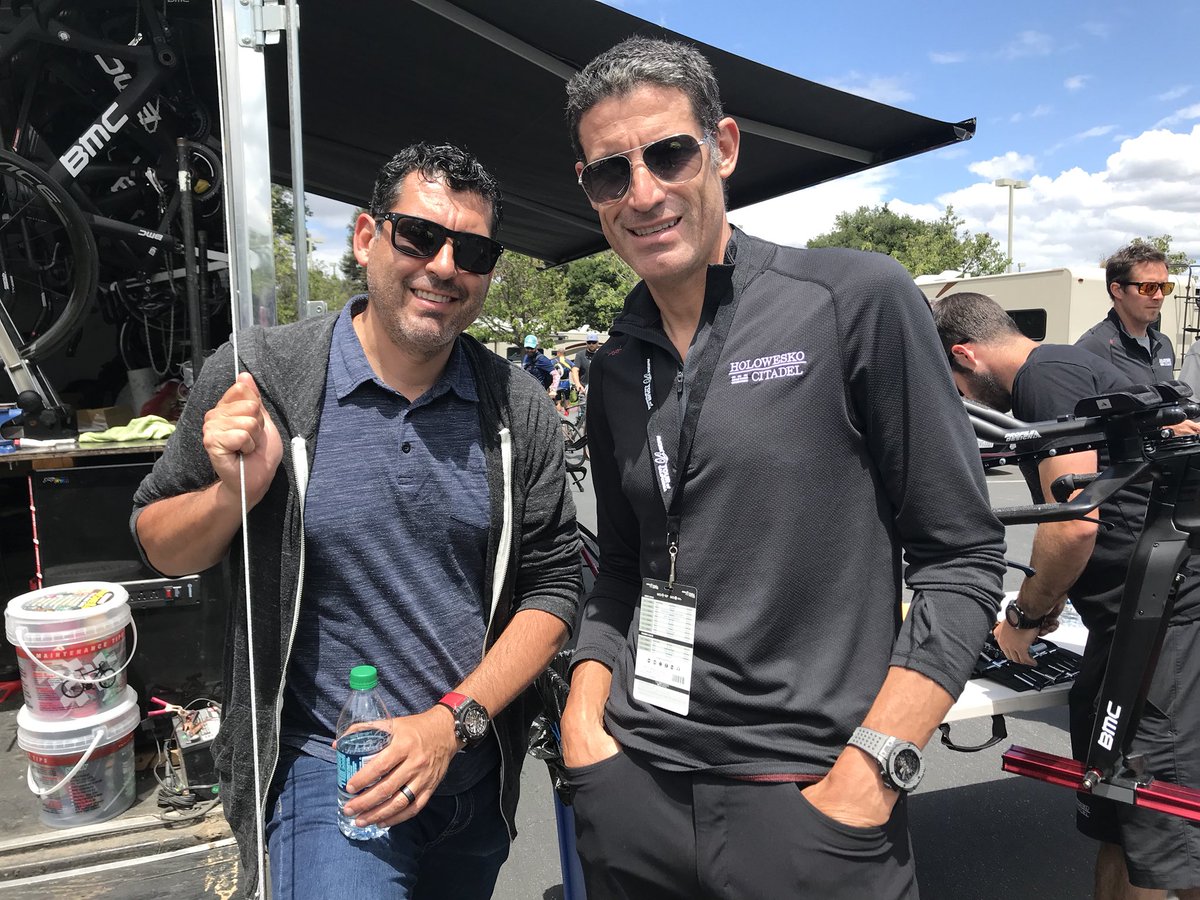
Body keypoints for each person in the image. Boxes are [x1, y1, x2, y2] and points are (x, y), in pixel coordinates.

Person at [559, 37, 1006, 899]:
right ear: (590, 192)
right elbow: (621, 569)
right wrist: (586, 726)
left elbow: (961, 559)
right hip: (634, 788)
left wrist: (873, 770)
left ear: (722, 147)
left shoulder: (854, 300)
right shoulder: (616, 362)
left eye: (668, 154)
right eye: (610, 173)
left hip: (809, 797)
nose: (642, 192)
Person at [130, 143, 581, 900]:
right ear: (366, 238)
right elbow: (158, 542)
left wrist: (449, 727)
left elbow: (555, 585)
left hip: (469, 775)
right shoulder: (261, 373)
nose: (444, 266)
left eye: (471, 250)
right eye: (419, 236)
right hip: (327, 777)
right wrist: (232, 494)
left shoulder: (516, 406)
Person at [932, 290, 1200, 900]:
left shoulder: (1047, 377)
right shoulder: (1071, 367)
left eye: (955, 385)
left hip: (1167, 623)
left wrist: (1025, 614)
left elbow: (1075, 520)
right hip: (1128, 622)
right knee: (1118, 817)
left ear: (964, 355)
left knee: (1169, 833)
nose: (963, 402)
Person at [1076, 243, 1177, 384]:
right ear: (1117, 290)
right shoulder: (1092, 348)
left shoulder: (1163, 344)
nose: (1159, 296)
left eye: (1165, 287)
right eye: (1149, 287)